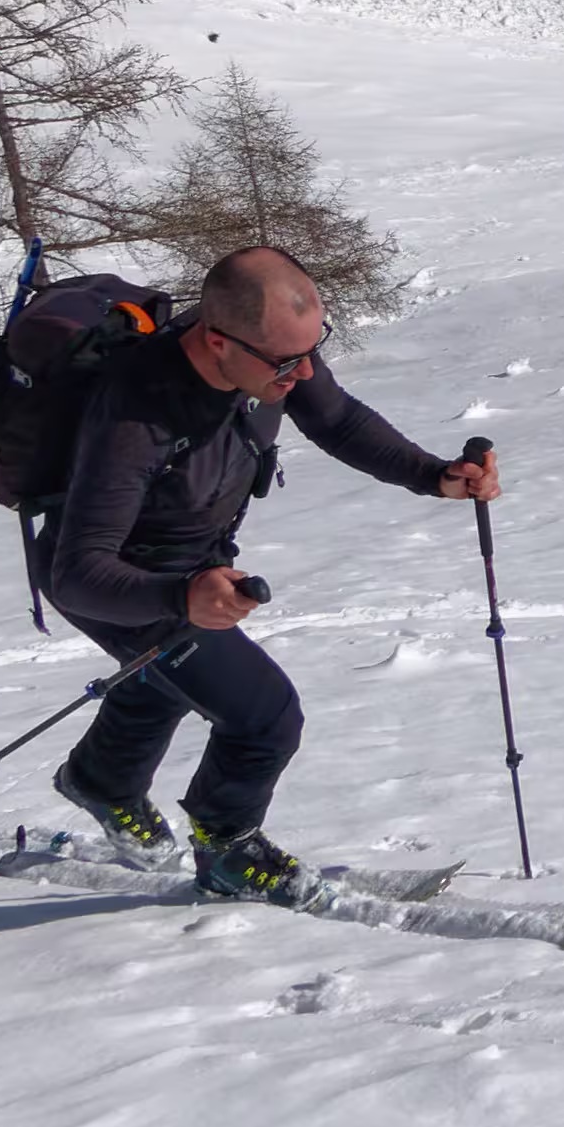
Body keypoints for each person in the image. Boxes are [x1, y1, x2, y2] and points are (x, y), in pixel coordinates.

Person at [40, 244, 498, 901]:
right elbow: (77, 573)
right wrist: (180, 595)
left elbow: (338, 421)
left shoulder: (273, 360)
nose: (304, 372)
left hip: (192, 565)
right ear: (216, 338)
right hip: (118, 581)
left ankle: (102, 779)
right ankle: (227, 846)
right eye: (288, 361)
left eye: (313, 349)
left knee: (167, 677)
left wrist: (435, 476)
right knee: (263, 715)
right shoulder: (137, 416)